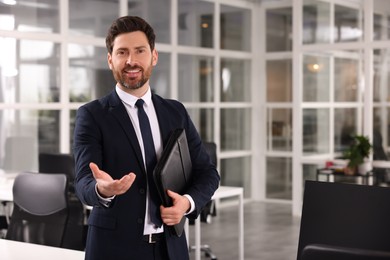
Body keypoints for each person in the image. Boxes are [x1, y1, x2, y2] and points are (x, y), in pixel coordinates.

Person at [73, 16, 220, 260]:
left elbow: (208, 173)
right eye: (122, 52)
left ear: (154, 56)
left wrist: (186, 203)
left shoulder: (176, 112)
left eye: (139, 51)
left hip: (170, 248)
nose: (131, 61)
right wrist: (103, 189)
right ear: (111, 60)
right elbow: (83, 182)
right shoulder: (92, 115)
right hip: (114, 250)